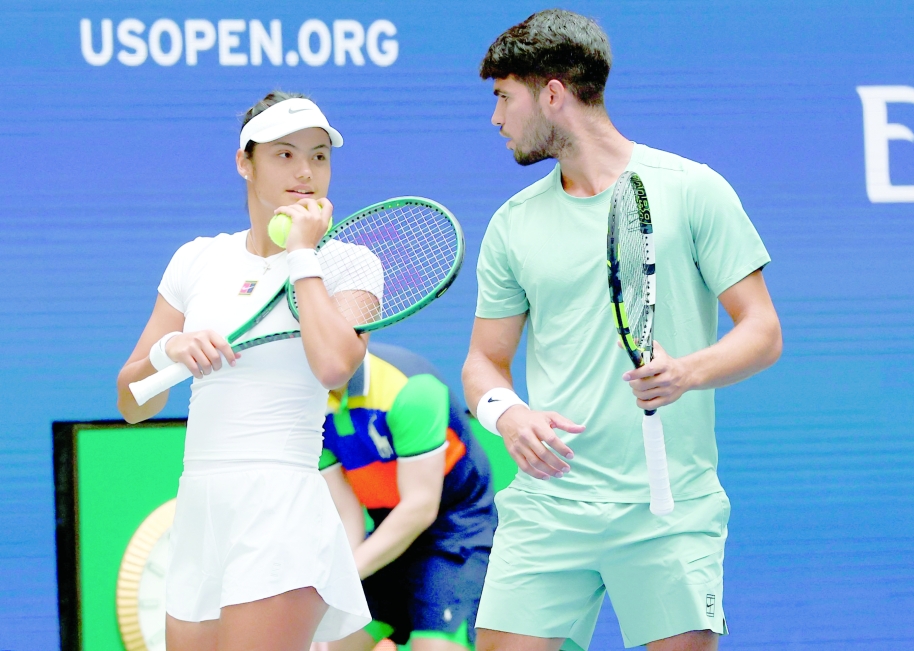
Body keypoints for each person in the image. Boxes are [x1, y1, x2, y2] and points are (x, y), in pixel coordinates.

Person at [463, 10, 783, 651]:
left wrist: (687, 372)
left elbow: (763, 331)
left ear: (552, 93)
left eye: (505, 97)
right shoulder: (512, 223)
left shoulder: (693, 191)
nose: (496, 119)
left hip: (669, 510)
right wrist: (508, 415)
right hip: (550, 505)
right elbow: (483, 362)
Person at [116, 91, 379, 651]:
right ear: (245, 163)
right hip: (202, 509)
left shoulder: (350, 263)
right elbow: (133, 401)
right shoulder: (197, 259)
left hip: (281, 507)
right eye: (284, 154)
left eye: (319, 156)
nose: (306, 171)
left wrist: (303, 253)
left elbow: (334, 366)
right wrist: (170, 351)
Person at [314, 342, 497, 651]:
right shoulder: (305, 401)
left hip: (453, 528)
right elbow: (347, 513)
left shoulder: (410, 387)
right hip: (386, 529)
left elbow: (420, 506)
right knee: (326, 643)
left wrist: (344, 577)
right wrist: (335, 585)